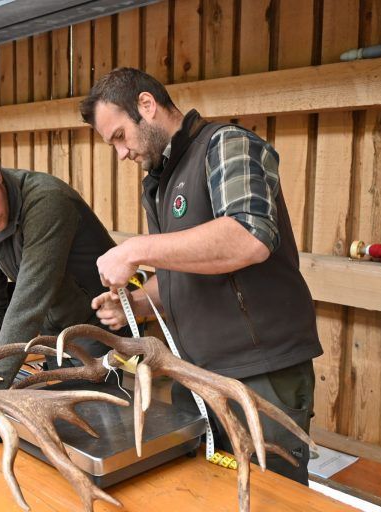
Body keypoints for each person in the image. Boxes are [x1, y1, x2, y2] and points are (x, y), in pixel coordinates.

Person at [79, 68, 323, 485]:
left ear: (146, 106)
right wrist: (137, 303)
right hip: (195, 374)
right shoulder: (159, 181)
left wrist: (135, 249)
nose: (120, 153)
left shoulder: (226, 145)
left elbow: (249, 237)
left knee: (270, 495)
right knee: (207, 492)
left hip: (258, 374)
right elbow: (184, 271)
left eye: (119, 136)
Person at [0, 138, 121, 388]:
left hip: (98, 328)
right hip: (54, 336)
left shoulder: (46, 202)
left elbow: (28, 304)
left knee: (98, 419)